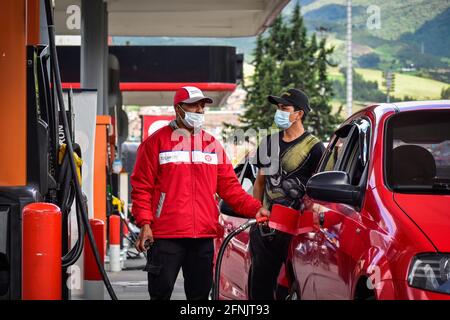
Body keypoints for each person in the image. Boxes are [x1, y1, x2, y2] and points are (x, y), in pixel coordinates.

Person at [131, 86, 270, 300]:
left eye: (202, 105)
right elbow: (142, 188)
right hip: (166, 235)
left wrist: (255, 208)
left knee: (200, 297)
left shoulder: (212, 145)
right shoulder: (154, 143)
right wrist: (145, 224)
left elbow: (231, 188)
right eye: (193, 105)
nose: (199, 110)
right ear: (178, 108)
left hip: (203, 236)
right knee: (160, 294)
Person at [249, 88, 326, 300]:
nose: (279, 112)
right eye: (278, 108)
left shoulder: (315, 147)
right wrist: (257, 211)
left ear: (299, 114)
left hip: (297, 230)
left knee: (292, 288)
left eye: (285, 108)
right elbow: (260, 183)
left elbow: (319, 191)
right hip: (266, 228)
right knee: (260, 290)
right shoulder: (269, 143)